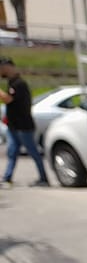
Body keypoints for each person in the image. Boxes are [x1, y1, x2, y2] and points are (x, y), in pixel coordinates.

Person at [0, 57, 49, 187]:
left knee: (32, 152)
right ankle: (7, 178)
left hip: (23, 126)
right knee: (12, 152)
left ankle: (43, 178)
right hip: (13, 125)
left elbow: (9, 99)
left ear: (6, 67)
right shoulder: (11, 82)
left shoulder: (19, 84)